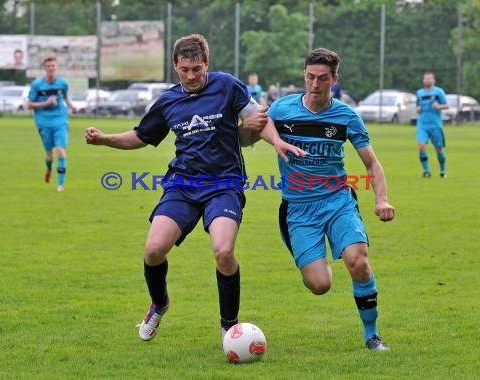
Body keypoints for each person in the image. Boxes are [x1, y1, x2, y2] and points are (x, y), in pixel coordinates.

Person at [84, 34, 304, 344]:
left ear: (207, 65)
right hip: (183, 185)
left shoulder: (227, 85)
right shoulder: (168, 101)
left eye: (197, 69)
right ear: (175, 66)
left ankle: (230, 327)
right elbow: (140, 136)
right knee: (153, 249)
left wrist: (277, 140)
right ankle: (159, 304)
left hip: (224, 184)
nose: (191, 76)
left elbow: (256, 118)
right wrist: (105, 139)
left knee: (223, 251)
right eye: (185, 69)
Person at [256, 48, 395, 350]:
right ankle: (318, 258)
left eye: (322, 78)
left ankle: (372, 335)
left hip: (337, 201)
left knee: (357, 261)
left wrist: (381, 199)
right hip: (299, 209)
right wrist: (264, 134)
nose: (315, 84)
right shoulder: (281, 109)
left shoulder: (346, 117)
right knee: (320, 285)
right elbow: (252, 133)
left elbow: (371, 163)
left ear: (334, 78)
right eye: (309, 77)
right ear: (304, 75)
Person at [28, 56, 77, 192]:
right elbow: (29, 104)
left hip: (60, 119)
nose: (51, 68)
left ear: (56, 67)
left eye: (53, 66)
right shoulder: (37, 85)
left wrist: (72, 106)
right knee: (50, 155)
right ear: (44, 68)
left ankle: (60, 185)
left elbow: (65, 97)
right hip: (43, 121)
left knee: (61, 151)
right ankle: (49, 168)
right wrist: (46, 103)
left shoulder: (62, 83)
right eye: (48, 66)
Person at [415, 71, 449, 178]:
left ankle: (442, 171)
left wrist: (439, 106)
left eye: (429, 78)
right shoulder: (419, 93)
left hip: (435, 125)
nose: (427, 80)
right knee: (421, 146)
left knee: (438, 148)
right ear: (423, 80)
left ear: (433, 80)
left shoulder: (439, 92)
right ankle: (426, 171)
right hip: (422, 125)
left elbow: (447, 105)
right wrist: (418, 109)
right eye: (425, 78)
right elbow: (417, 107)